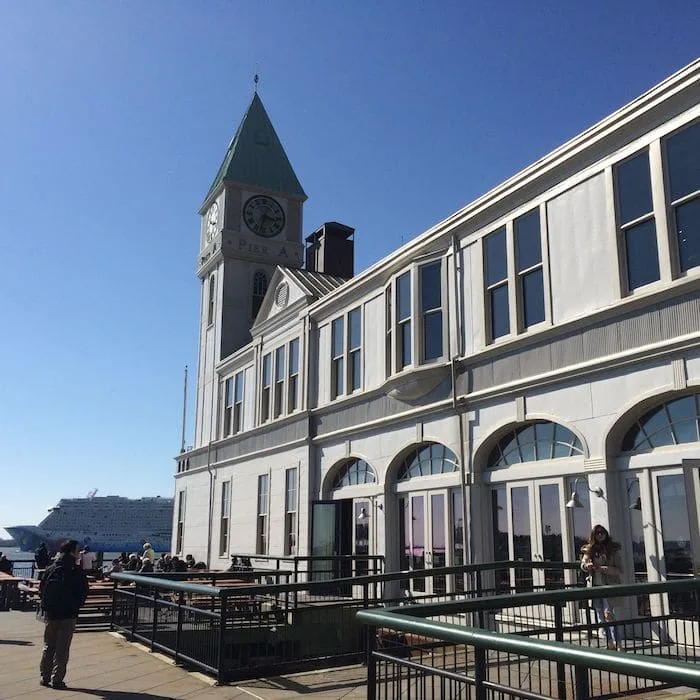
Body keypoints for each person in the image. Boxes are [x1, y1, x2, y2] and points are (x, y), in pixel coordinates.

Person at [38, 539, 89, 689]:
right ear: (72, 552)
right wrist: (76, 607)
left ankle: (44, 677)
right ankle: (57, 680)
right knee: (62, 648)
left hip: (51, 614)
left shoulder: (51, 568)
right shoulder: (76, 570)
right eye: (78, 551)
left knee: (49, 645)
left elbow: (42, 588)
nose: (80, 553)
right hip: (68, 614)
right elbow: (84, 591)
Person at [581, 524, 623, 651]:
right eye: (597, 533)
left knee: (609, 615)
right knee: (600, 616)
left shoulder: (613, 550)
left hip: (608, 586)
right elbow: (583, 563)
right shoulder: (589, 550)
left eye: (602, 533)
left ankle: (618, 643)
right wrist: (587, 566)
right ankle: (609, 642)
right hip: (595, 586)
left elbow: (619, 569)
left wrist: (604, 569)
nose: (600, 535)